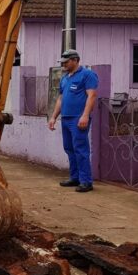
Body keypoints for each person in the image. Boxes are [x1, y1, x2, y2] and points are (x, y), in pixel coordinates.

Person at [47, 49, 98, 193]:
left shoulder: (87, 75)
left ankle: (86, 181)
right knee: (69, 148)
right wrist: (53, 117)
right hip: (66, 118)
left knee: (80, 149)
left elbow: (92, 95)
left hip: (78, 118)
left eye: (66, 61)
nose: (63, 64)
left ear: (75, 60)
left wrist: (85, 115)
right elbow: (60, 99)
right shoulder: (65, 78)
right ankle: (75, 177)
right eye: (62, 62)